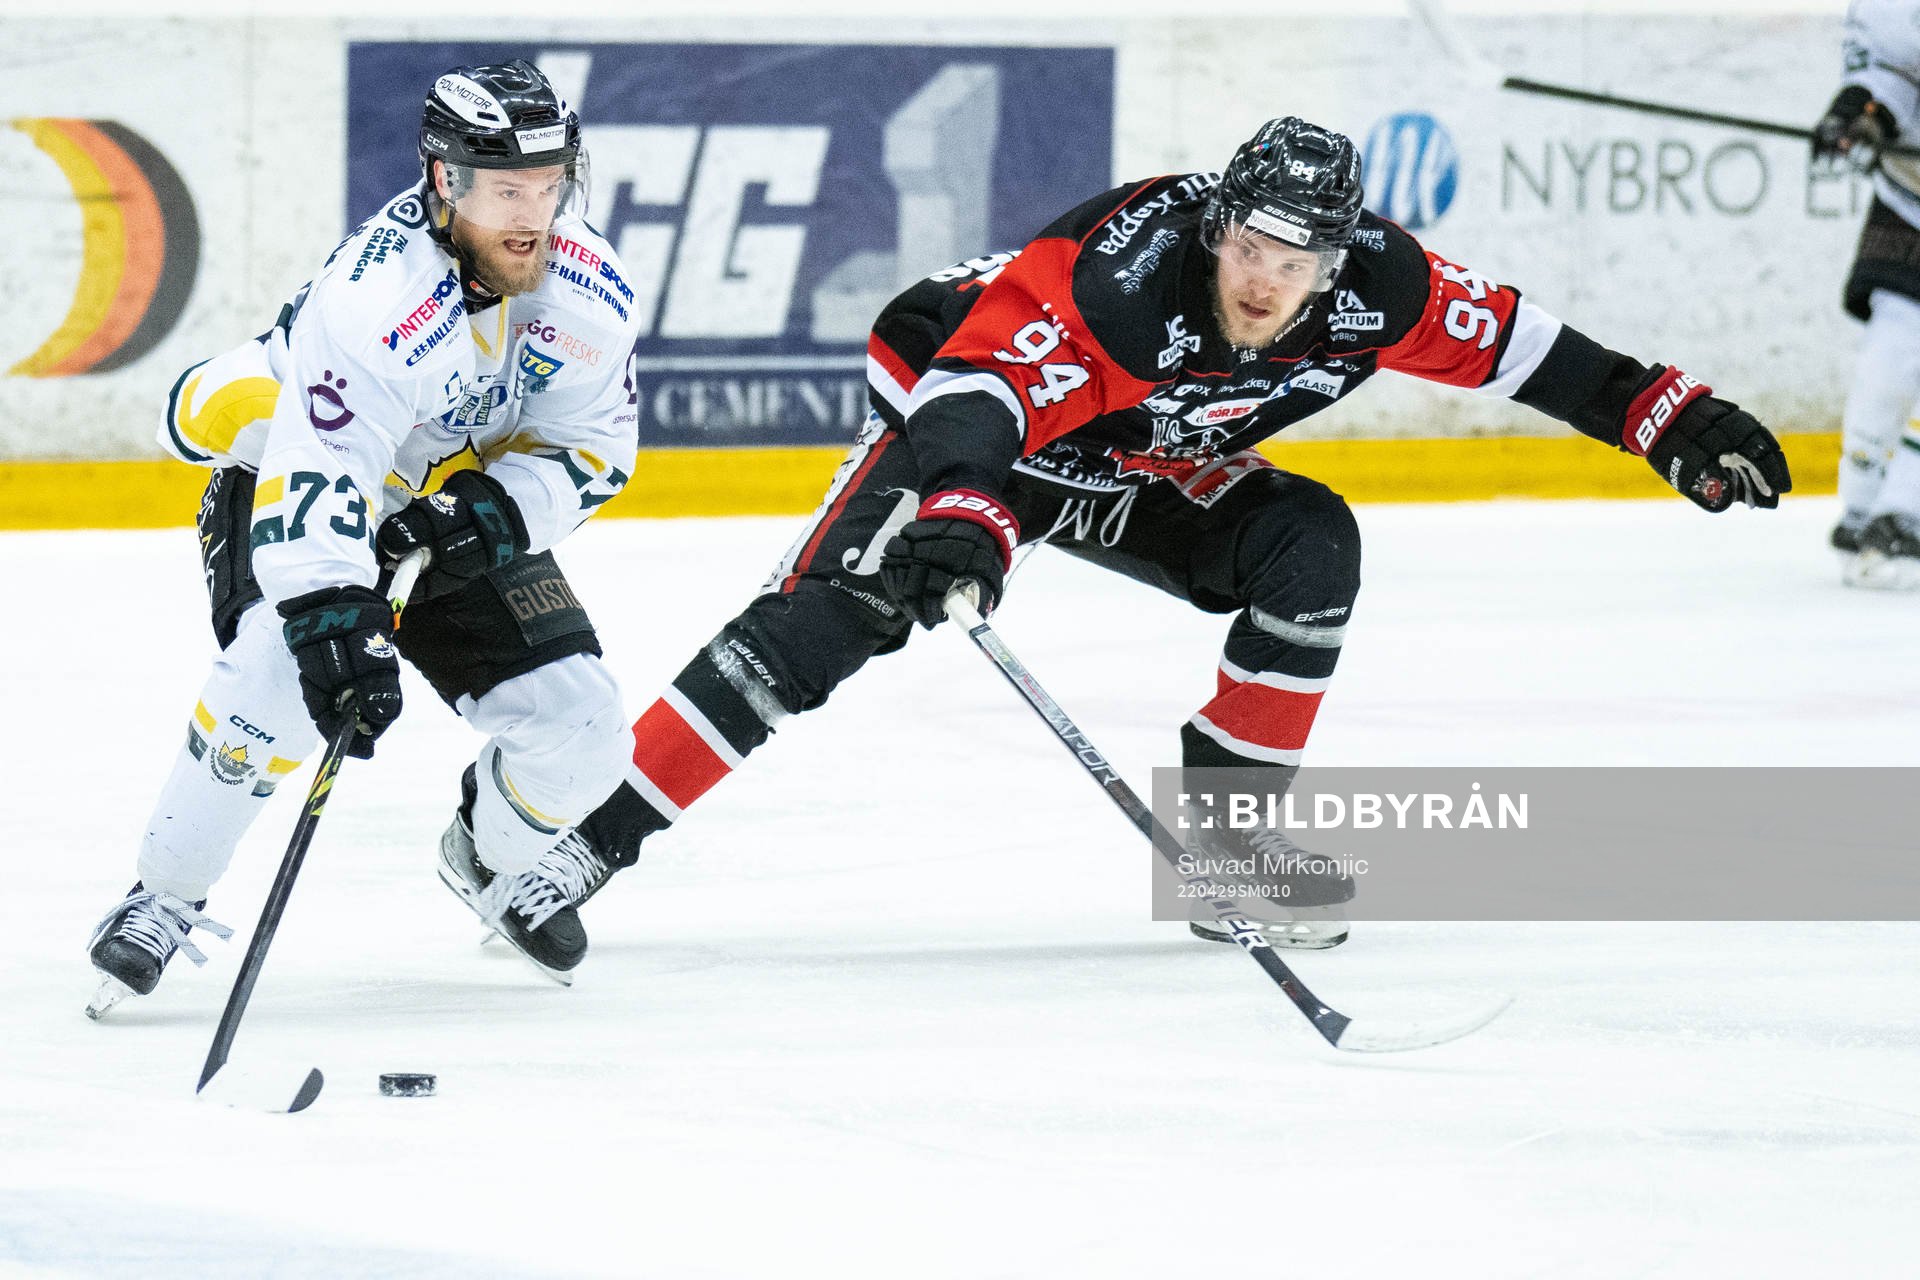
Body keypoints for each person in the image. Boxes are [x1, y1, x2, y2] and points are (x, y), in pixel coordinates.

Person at [549, 115, 1789, 954]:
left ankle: (1230, 848)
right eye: (1247, 246)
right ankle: (579, 847)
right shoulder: (1125, 279)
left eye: (1294, 260)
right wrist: (969, 510)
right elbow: (977, 385)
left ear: (1338, 260)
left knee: (1312, 544)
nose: (1262, 280)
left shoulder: (1381, 291)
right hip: (974, 413)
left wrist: (1666, 416)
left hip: (1137, 459)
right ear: (1218, 230)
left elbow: (1524, 347)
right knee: (837, 616)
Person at [86, 58, 642, 1011]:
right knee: (280, 684)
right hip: (297, 474)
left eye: (550, 187)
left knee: (587, 736)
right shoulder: (376, 297)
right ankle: (163, 896)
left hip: (443, 504)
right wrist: (335, 619)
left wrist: (494, 518)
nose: (533, 215)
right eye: (507, 189)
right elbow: (323, 476)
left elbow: (593, 451)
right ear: (445, 180)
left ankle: (486, 858)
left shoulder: (591, 290)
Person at [1813, 0, 1920, 587]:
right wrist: (1861, 113)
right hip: (1913, 203)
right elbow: (1890, 72)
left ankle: (1906, 512)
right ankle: (1861, 504)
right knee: (1890, 363)